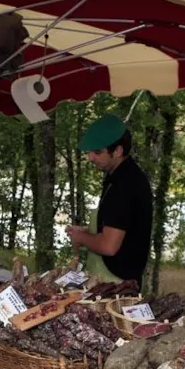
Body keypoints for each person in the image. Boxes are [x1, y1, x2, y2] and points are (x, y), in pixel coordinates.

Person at [65, 114, 153, 286]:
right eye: (89, 151)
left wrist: (80, 237)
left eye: (97, 152)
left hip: (117, 282)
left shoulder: (125, 184)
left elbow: (108, 246)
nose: (90, 157)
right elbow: (120, 226)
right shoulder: (117, 174)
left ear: (118, 151)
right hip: (112, 275)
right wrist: (86, 230)